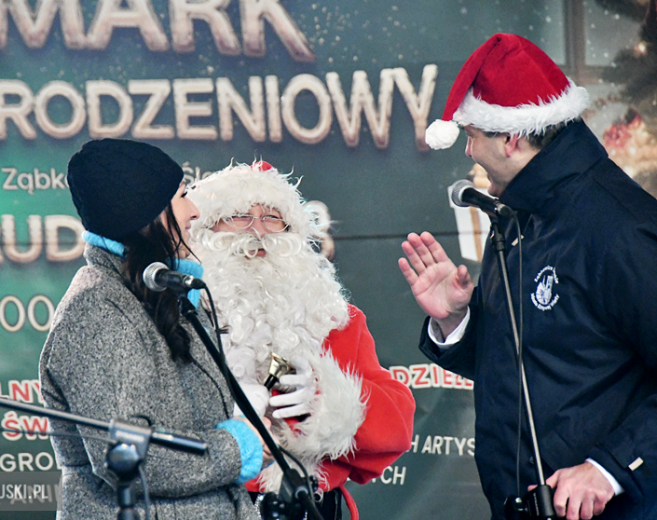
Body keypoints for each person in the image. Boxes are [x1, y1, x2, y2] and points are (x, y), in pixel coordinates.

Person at [399, 33, 657, 520]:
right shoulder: (518, 217)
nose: (470, 150)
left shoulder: (619, 226)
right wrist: (458, 322)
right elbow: (540, 358)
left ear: (512, 137)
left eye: (473, 134)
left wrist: (611, 469)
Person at [39, 139, 267, 520]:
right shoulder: (98, 309)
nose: (194, 211)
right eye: (180, 196)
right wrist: (236, 449)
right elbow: (131, 456)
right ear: (145, 216)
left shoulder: (154, 294)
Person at [188, 161, 415, 520]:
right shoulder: (180, 317)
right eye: (240, 216)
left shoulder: (336, 319)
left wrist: (329, 401)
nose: (258, 231)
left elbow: (397, 428)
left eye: (272, 217)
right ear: (205, 230)